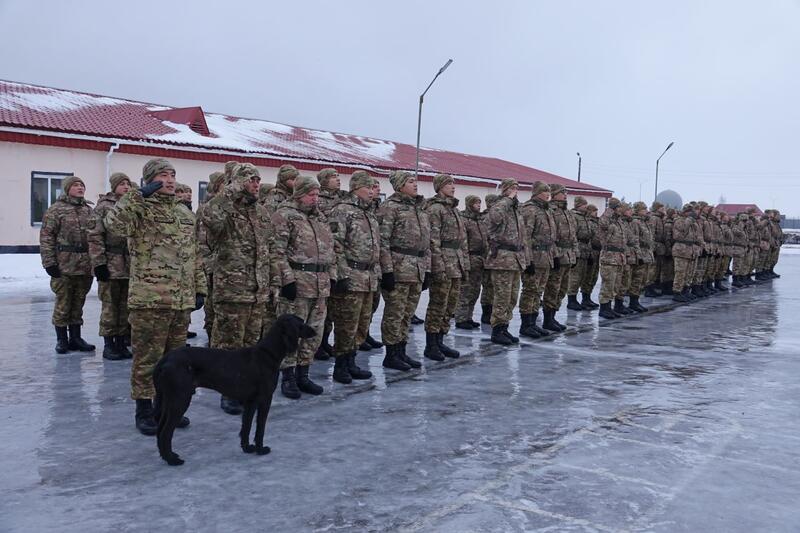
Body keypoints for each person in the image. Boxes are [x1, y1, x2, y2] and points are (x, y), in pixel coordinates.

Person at [105, 158, 206, 435]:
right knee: (148, 359)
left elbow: (195, 255)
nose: (170, 180)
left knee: (175, 361)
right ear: (150, 180)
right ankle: (144, 410)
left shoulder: (184, 213)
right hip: (150, 299)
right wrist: (138, 195)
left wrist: (199, 288)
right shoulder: (139, 209)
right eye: (163, 175)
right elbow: (113, 224)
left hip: (180, 301)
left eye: (172, 175)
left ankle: (166, 408)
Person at [201, 163, 271, 414]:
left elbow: (269, 249)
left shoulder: (260, 212)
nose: (256, 184)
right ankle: (227, 391)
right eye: (250, 179)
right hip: (232, 289)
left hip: (257, 290)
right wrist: (230, 192)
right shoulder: (223, 208)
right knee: (228, 345)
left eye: (258, 179)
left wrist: (270, 284)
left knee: (251, 345)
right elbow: (210, 219)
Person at [271, 175, 336, 398]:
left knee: (314, 332)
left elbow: (331, 251)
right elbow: (276, 252)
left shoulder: (320, 219)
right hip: (298, 284)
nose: (315, 198)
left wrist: (332, 276)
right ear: (299, 194)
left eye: (317, 194)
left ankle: (303, 374)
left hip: (320, 284)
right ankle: (288, 377)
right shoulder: (284, 215)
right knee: (291, 334)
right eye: (311, 194)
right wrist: (287, 280)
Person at [328, 170, 379, 383]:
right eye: (368, 187)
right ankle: (341, 366)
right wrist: (341, 275)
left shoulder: (369, 213)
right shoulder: (342, 210)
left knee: (361, 323)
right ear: (357, 188)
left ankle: (351, 361)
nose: (372, 191)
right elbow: (335, 244)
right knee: (346, 324)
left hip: (368, 276)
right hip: (351, 275)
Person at [377, 171, 429, 370]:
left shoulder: (419, 208)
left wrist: (427, 270)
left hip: (417, 268)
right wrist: (387, 271)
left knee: (407, 314)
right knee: (395, 313)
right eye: (410, 181)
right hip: (399, 269)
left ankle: (401, 350)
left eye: (415, 181)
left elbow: (426, 243)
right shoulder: (390, 207)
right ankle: (391, 354)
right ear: (399, 185)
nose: (415, 184)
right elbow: (383, 241)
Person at [39, 175, 96, 354]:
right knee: (63, 304)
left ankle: (76, 338)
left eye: (82, 185)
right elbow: (47, 237)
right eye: (76, 185)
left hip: (84, 265)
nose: (80, 188)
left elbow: (95, 237)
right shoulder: (56, 210)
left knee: (78, 303)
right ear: (67, 189)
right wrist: (49, 263)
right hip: (64, 264)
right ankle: (62, 339)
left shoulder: (88, 210)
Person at [423, 174, 468, 360]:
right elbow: (433, 241)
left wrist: (465, 264)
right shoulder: (435, 209)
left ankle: (441, 339)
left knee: (450, 305)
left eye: (453, 184)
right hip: (443, 262)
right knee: (438, 304)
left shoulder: (454, 209)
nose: (453, 187)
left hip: (456, 262)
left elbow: (462, 240)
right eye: (449, 184)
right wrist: (438, 266)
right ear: (440, 187)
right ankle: (431, 344)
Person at [88, 172, 133, 360]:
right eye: (122, 184)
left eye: (128, 184)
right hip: (110, 263)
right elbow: (95, 236)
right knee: (110, 306)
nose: (126, 187)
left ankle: (121, 343)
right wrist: (99, 263)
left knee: (125, 307)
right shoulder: (103, 207)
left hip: (129, 265)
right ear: (114, 186)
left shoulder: (132, 205)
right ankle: (108, 345)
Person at [484, 179, 526, 345]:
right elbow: (494, 218)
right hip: (502, 258)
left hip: (515, 258)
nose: (515, 190)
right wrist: (507, 199)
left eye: (517, 187)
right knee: (502, 296)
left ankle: (504, 327)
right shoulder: (499, 205)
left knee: (512, 297)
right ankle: (497, 330)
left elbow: (523, 236)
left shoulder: (515, 209)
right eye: (512, 187)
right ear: (505, 189)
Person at [518, 181, 555, 338]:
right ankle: (526, 324)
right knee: (530, 290)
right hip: (534, 256)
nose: (548, 194)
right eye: (545, 191)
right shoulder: (530, 209)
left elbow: (551, 237)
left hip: (545, 257)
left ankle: (533, 322)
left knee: (538, 291)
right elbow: (525, 237)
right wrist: (528, 260)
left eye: (549, 191)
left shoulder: (546, 210)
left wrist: (553, 256)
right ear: (537, 193)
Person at [541, 183, 577, 331]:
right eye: (563, 192)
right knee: (552, 288)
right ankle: (547, 319)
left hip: (568, 255)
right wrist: (555, 255)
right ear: (554, 194)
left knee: (562, 289)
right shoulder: (550, 210)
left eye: (566, 192)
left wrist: (575, 253)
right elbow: (550, 236)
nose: (565, 195)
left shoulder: (567, 212)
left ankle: (553, 316)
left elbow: (573, 235)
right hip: (557, 255)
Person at [196, 171, 226, 343]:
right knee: (212, 306)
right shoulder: (207, 209)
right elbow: (201, 241)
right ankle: (211, 338)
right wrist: (209, 265)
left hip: (228, 269)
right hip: (211, 266)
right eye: (224, 183)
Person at [454, 195, 488, 329]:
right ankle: (461, 318)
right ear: (469, 204)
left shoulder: (480, 220)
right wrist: (465, 261)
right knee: (465, 290)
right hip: (470, 257)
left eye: (479, 203)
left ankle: (469, 317)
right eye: (475, 203)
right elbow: (463, 242)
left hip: (480, 259)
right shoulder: (464, 220)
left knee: (475, 291)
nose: (478, 205)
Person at [597, 198, 626, 319]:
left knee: (615, 284)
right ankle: (604, 308)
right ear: (613, 208)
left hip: (618, 257)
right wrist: (609, 210)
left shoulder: (618, 221)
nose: (621, 210)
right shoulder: (606, 218)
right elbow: (603, 224)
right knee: (608, 283)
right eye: (618, 207)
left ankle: (609, 307)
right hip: (609, 256)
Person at [566, 196, 594, 311]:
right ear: (578, 205)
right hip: (578, 248)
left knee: (583, 276)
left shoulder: (585, 217)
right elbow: (573, 234)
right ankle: (571, 300)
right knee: (575, 276)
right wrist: (575, 252)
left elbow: (589, 236)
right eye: (583, 204)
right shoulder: (574, 216)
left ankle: (584, 299)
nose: (586, 206)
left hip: (586, 249)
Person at [670, 204, 701, 302]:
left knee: (689, 273)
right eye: (689, 212)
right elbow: (683, 228)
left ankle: (685, 290)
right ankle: (677, 292)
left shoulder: (692, 222)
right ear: (685, 212)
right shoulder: (679, 220)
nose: (691, 214)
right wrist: (690, 219)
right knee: (680, 272)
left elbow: (697, 235)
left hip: (691, 250)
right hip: (681, 250)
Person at [628, 201, 654, 312]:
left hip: (647, 253)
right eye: (644, 209)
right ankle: (633, 302)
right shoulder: (635, 222)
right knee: (637, 279)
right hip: (640, 253)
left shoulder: (644, 222)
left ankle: (636, 300)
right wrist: (638, 255)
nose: (646, 211)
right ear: (638, 210)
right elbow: (635, 240)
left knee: (643, 279)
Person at [645, 201, 667, 297]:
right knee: (652, 269)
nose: (664, 210)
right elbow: (652, 234)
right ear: (657, 209)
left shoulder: (660, 218)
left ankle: (652, 287)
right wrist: (652, 248)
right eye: (662, 208)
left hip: (659, 246)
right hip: (655, 246)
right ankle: (648, 289)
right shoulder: (654, 218)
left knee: (656, 269)